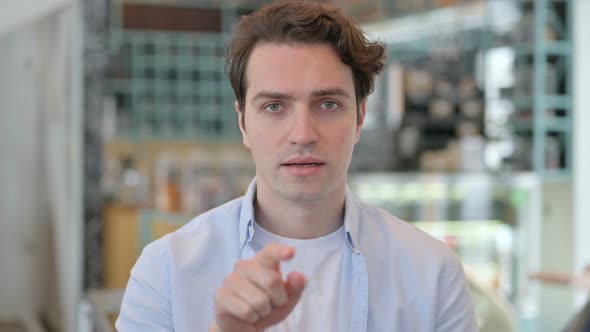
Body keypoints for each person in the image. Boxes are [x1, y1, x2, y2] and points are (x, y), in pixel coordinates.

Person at [116, 1, 478, 331]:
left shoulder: (434, 274)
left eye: (328, 104)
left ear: (359, 118)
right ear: (243, 123)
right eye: (274, 106)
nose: (302, 134)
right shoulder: (166, 269)